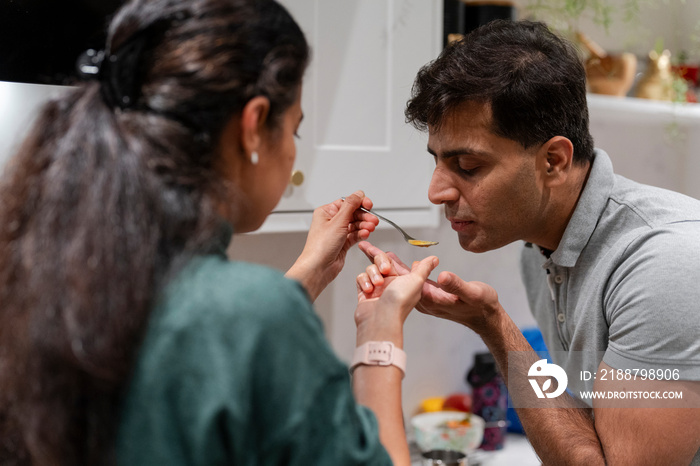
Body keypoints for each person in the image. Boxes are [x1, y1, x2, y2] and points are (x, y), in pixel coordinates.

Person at [0, 0, 438, 464]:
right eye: (295, 130)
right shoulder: (251, 314)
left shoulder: (46, 274)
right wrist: (380, 334)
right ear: (253, 127)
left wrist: (309, 270)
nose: (438, 190)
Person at [358, 20, 700, 465]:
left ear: (554, 161)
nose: (436, 191)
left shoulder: (666, 264)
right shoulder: (538, 246)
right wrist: (489, 323)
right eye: (438, 161)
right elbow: (586, 437)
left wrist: (495, 326)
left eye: (467, 165)